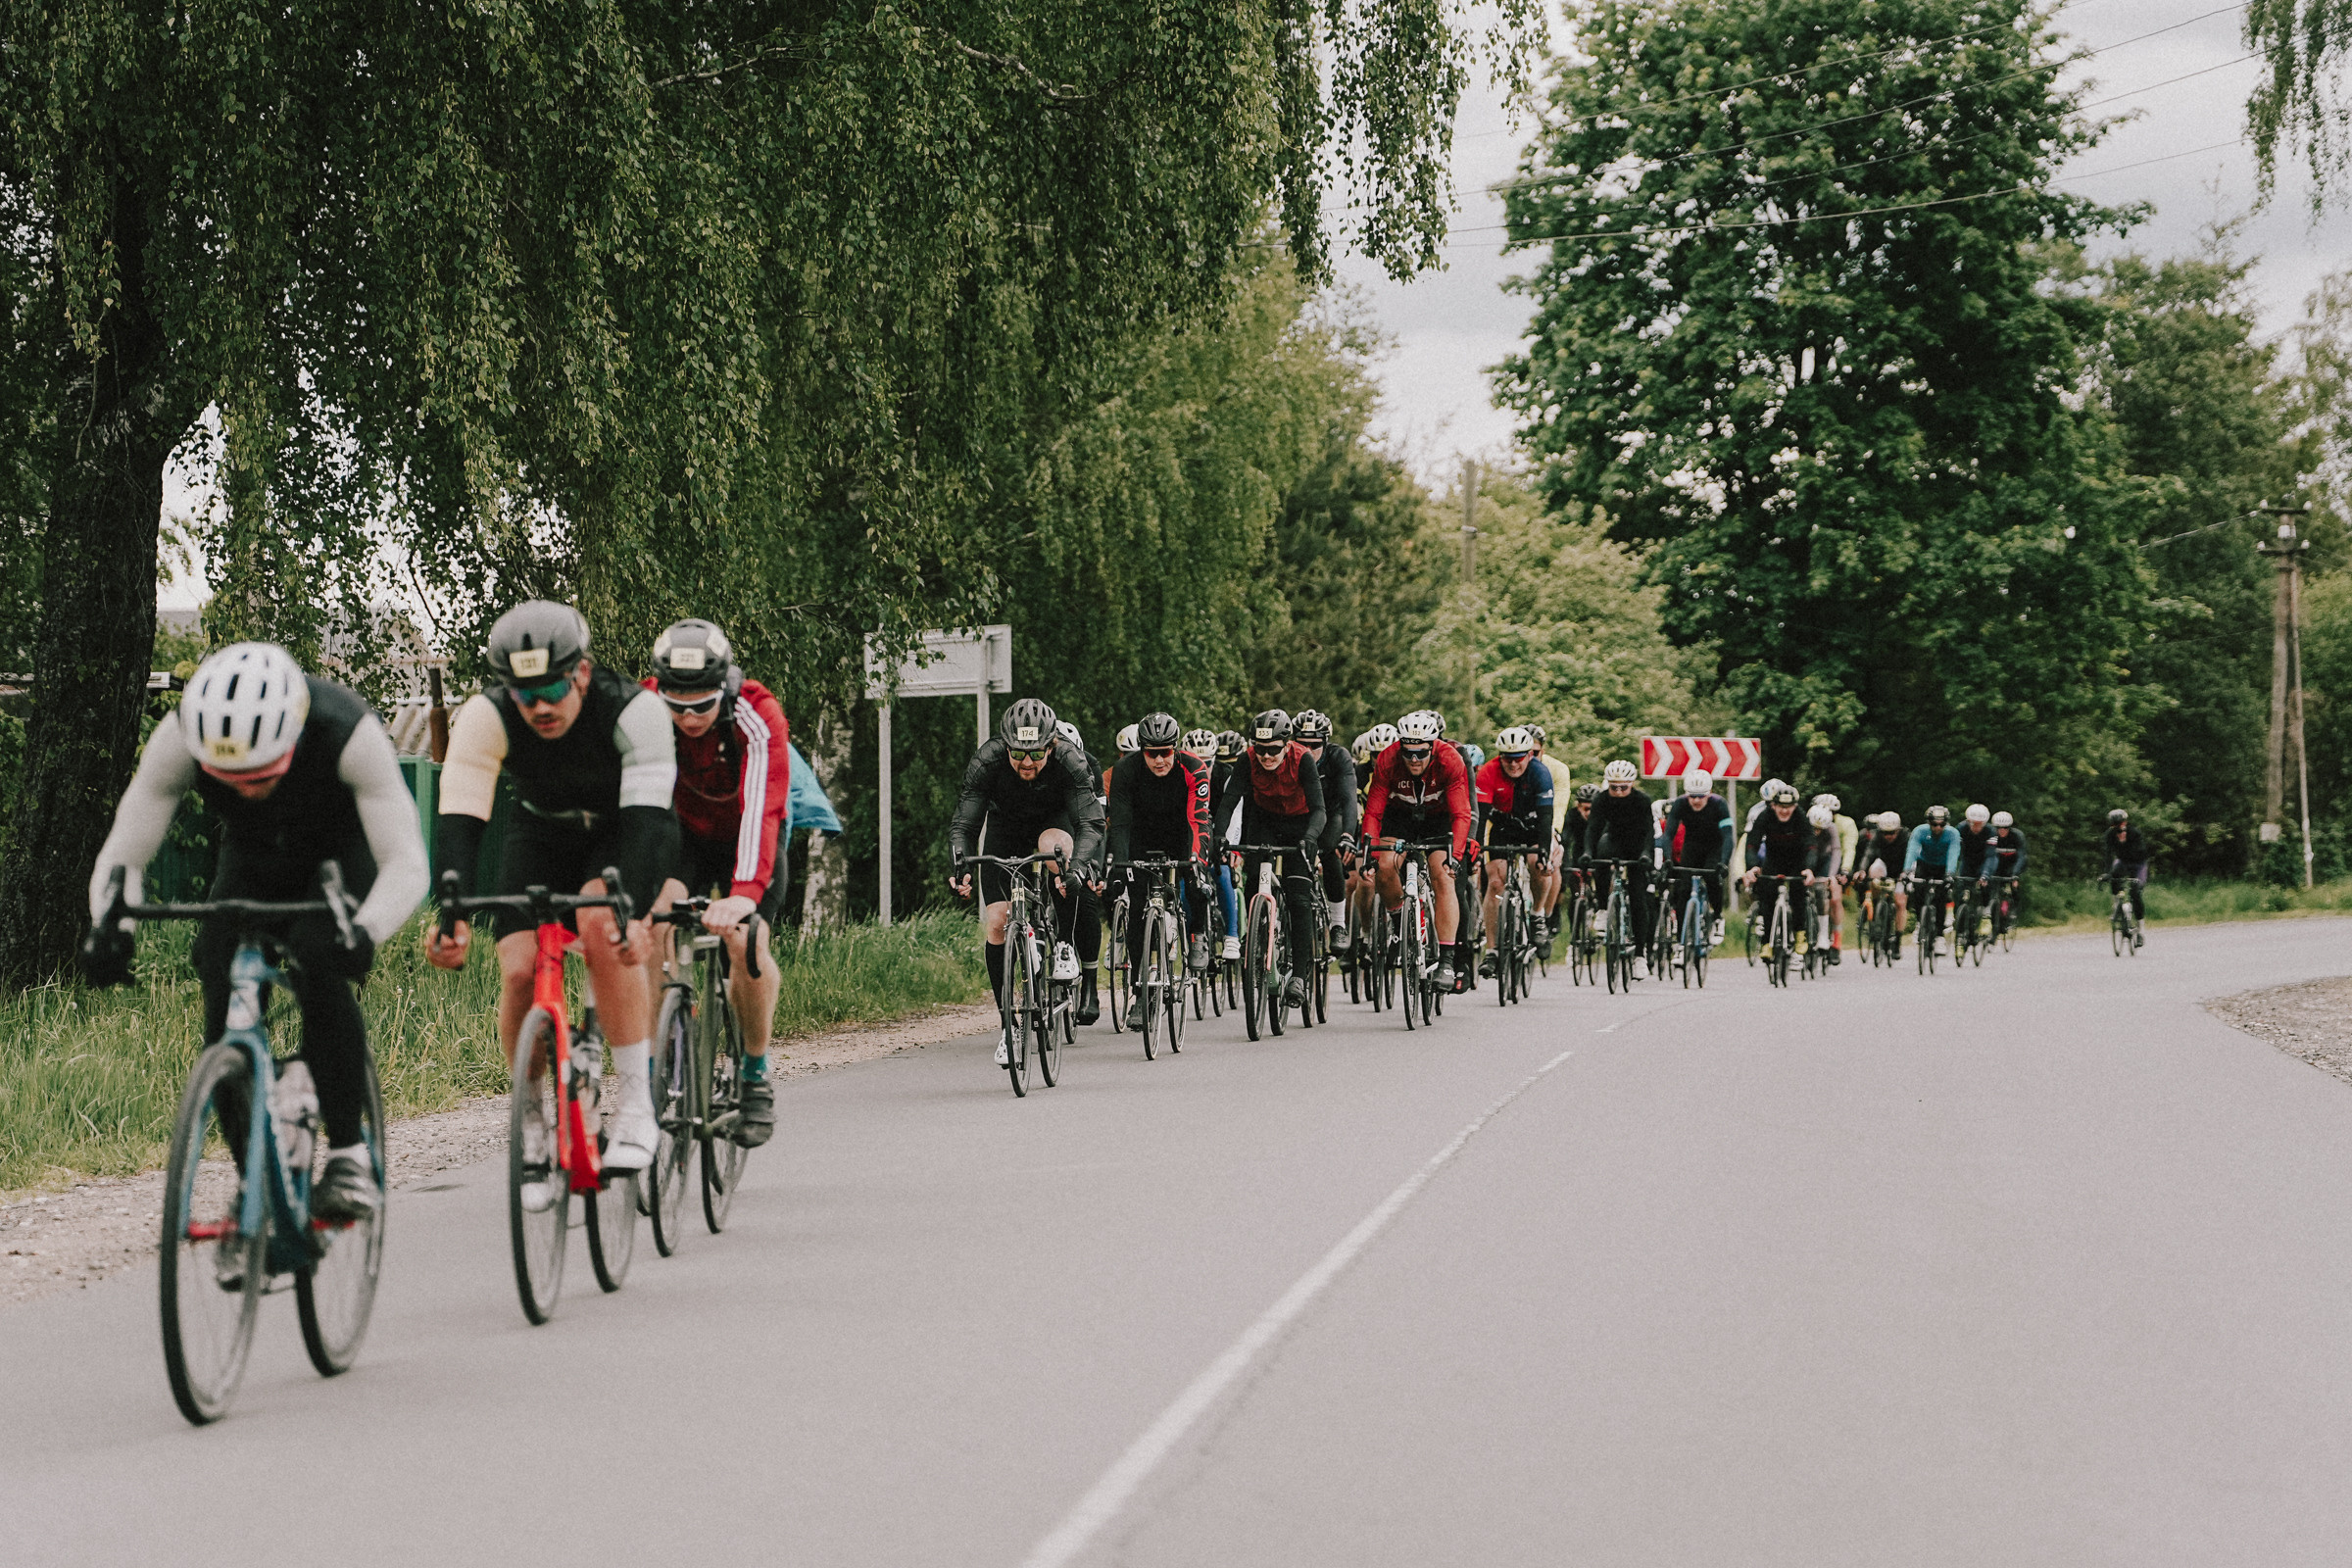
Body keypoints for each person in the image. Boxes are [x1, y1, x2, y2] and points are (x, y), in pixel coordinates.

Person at [87, 642, 428, 1221]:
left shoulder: (345, 730)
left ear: (292, 738)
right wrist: (111, 925)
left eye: (263, 773)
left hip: (338, 855)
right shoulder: (180, 737)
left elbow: (407, 862)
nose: (246, 787)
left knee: (320, 960)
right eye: (230, 776)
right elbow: (126, 854)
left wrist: (365, 931)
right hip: (253, 860)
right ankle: (256, 1194)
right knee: (217, 991)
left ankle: (348, 1153)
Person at [425, 601, 677, 1193]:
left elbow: (650, 823)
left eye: (554, 688)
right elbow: (460, 818)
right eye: (524, 693)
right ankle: (533, 1118)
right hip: (539, 833)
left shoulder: (634, 710)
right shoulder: (485, 717)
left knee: (601, 929)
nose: (539, 706)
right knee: (516, 973)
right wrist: (451, 912)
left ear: (582, 673)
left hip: (621, 831)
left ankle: (637, 1106)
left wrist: (635, 913)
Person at [641, 618, 789, 1148]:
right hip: (684, 839)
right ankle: (664, 1061)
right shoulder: (644, 710)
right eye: (676, 705)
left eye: (701, 705)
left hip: (748, 838)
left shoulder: (756, 712)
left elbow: (763, 809)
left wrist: (744, 895)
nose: (688, 717)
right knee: (653, 922)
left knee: (746, 940)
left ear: (723, 687)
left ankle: (753, 1072)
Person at [949, 699, 1107, 1058]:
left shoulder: (1069, 761)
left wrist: (1080, 868)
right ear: (1005, 745)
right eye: (1017, 753)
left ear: (1051, 746)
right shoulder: (987, 760)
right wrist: (960, 867)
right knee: (997, 922)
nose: (1026, 763)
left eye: (1036, 754)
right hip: (1004, 828)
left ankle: (1064, 944)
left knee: (1056, 852)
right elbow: (965, 822)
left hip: (1053, 825)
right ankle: (1010, 1028)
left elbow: (1090, 822)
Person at [1106, 711, 1212, 1026]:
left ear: (1175, 748)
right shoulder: (1125, 772)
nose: (1160, 760)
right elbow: (1121, 824)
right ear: (1142, 751)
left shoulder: (1194, 767)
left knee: (1195, 882)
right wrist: (1119, 863)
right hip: (1140, 835)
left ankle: (1198, 935)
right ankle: (1141, 994)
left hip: (1182, 833)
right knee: (1138, 906)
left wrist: (1196, 861)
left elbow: (1199, 821)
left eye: (1166, 752)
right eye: (1152, 753)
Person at [1215, 710, 1328, 1007]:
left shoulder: (1302, 759)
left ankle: (1300, 977)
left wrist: (1310, 839)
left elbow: (1319, 809)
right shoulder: (1248, 758)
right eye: (1260, 749)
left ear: (1287, 744)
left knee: (1299, 897)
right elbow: (1229, 801)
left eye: (1273, 750)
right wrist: (1220, 838)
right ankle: (1257, 938)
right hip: (1264, 820)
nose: (1266, 756)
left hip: (1300, 824)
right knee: (1255, 881)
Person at [1361, 711, 1475, 990]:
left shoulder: (1450, 759)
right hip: (1399, 817)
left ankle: (1447, 961)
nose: (1414, 759)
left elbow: (1462, 813)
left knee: (1443, 876)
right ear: (1400, 746)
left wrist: (1456, 858)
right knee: (1384, 866)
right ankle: (1400, 922)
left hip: (1439, 818)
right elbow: (1374, 812)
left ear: (1433, 747)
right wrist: (1370, 856)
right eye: (1408, 753)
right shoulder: (1388, 759)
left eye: (1421, 753)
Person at [1472, 727, 1555, 976]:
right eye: (1507, 758)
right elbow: (1480, 816)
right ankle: (1493, 951)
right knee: (1496, 883)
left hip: (1532, 827)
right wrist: (1475, 850)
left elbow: (1546, 819)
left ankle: (1537, 914)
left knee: (1538, 865)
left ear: (1530, 755)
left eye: (1518, 757)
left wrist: (1544, 852)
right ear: (1499, 756)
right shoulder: (1488, 772)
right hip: (1502, 828)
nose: (1513, 764)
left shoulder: (1540, 773)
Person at [1580, 760, 1658, 970]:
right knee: (1601, 856)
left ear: (1631, 784)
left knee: (1638, 896)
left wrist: (1645, 854)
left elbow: (1649, 833)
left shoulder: (1642, 800)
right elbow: (1593, 829)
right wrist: (1587, 852)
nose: (1619, 791)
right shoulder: (1602, 799)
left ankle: (1640, 954)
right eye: (1614, 787)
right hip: (1614, 839)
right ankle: (1604, 908)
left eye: (1624, 787)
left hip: (1638, 844)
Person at [1295, 711, 1359, 956]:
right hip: (1298, 816)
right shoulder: (1287, 758)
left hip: (1331, 815)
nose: (1308, 750)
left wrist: (1348, 836)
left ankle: (1337, 924)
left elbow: (1349, 800)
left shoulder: (1338, 757)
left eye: (1315, 745)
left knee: (1332, 852)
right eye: (1302, 744)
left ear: (1325, 742)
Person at [1660, 767, 1733, 951]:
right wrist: (1668, 859)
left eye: (1701, 796)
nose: (1696, 800)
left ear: (1709, 794)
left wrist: (1724, 862)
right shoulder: (1680, 804)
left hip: (1714, 847)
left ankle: (1717, 917)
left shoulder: (1719, 804)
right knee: (1683, 891)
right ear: (1686, 794)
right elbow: (1668, 835)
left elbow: (1728, 837)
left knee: (1712, 878)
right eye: (1692, 796)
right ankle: (1681, 943)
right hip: (1692, 846)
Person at [1740, 783, 1814, 934]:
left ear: (1795, 806)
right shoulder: (1765, 816)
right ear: (1773, 806)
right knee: (1766, 897)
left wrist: (1809, 868)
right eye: (1781, 806)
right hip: (1774, 860)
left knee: (1798, 896)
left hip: (1797, 860)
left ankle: (1800, 934)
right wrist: (1752, 866)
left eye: (1789, 806)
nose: (1785, 811)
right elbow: (1751, 844)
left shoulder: (1800, 816)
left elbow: (1811, 845)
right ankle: (1767, 941)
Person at [1526, 723, 1570, 939]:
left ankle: (1544, 915)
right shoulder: (1512, 764)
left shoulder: (1557, 769)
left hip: (1545, 819)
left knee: (1551, 860)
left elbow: (1558, 806)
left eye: (1534, 752)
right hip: (1518, 822)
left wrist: (1553, 833)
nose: (1529, 757)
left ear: (1542, 750)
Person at [1903, 805, 1962, 949]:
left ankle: (1940, 935)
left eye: (1942, 824)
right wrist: (1906, 871)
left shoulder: (1952, 834)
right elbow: (1912, 851)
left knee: (1941, 898)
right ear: (1929, 823)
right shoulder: (1920, 831)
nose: (1938, 828)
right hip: (1925, 864)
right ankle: (1919, 923)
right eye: (1934, 824)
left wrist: (1950, 874)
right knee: (1917, 891)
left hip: (1943, 867)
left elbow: (1953, 854)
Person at [1854, 810, 1910, 949]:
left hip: (1903, 868)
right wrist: (1862, 870)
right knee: (1873, 871)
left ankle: (1897, 938)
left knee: (1900, 902)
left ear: (1898, 830)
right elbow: (1869, 853)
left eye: (1892, 833)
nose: (1888, 836)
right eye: (1885, 833)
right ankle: (1876, 905)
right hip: (1884, 865)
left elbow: (1911, 856)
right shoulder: (1877, 836)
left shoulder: (1906, 836)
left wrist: (1905, 873)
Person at [1814, 793, 1856, 959]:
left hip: (1837, 864)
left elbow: (1848, 848)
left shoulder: (1846, 824)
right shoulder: (1813, 820)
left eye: (1831, 811)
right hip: (1816, 860)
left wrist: (1845, 870)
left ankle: (1836, 943)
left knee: (1835, 899)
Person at [2104, 807, 2148, 942]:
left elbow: (2141, 851)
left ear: (2125, 823)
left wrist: (2124, 843)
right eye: (2115, 825)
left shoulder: (2134, 833)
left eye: (2121, 824)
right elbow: (2106, 854)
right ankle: (2116, 905)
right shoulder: (2110, 835)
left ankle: (2141, 931)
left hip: (2138, 863)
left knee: (2135, 892)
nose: (2118, 828)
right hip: (2122, 862)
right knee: (2113, 877)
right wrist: (2106, 873)